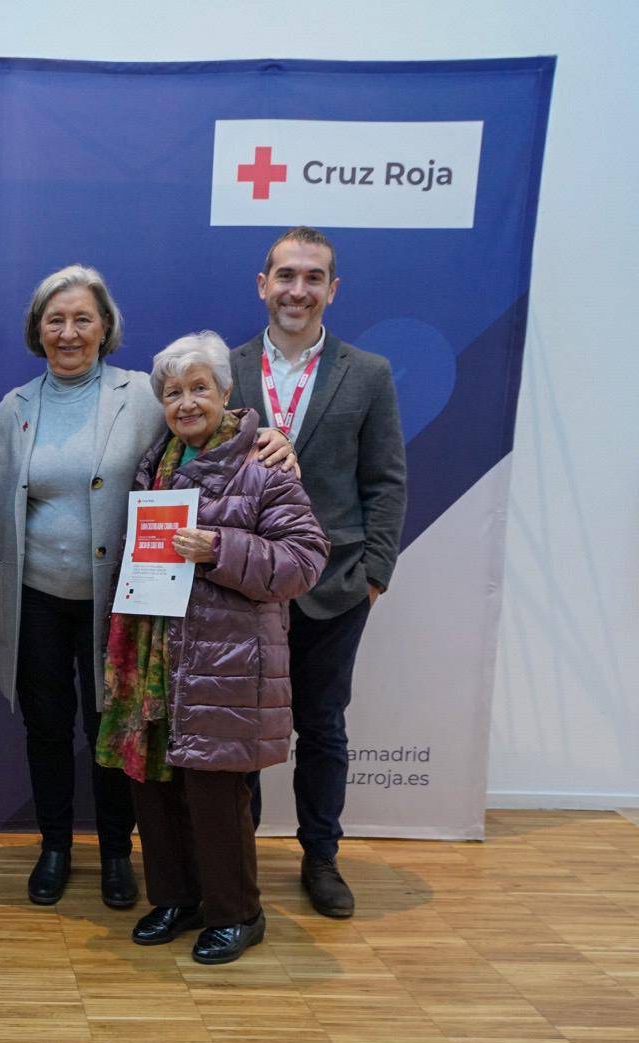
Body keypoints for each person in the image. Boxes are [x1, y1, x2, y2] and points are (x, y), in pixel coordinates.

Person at [99, 331, 329, 964]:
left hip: (225, 663)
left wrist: (221, 549)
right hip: (155, 657)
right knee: (156, 784)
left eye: (200, 388)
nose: (187, 402)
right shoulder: (154, 464)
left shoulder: (263, 464)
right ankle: (174, 899)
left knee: (214, 793)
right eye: (173, 392)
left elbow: (306, 560)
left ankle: (237, 913)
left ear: (227, 391)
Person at [228, 226, 407, 919]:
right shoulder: (228, 368)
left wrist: (375, 574)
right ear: (262, 284)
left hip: (334, 586)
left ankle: (320, 858)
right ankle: (235, 855)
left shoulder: (368, 374)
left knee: (323, 726)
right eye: (285, 275)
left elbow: (386, 481)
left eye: (312, 277)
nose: (296, 290)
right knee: (238, 729)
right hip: (242, 585)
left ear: (332, 290)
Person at [0, 265, 158, 908]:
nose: (68, 332)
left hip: (118, 600)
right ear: (37, 331)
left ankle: (117, 851)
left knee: (111, 725)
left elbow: (209, 421)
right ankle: (55, 844)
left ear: (106, 327)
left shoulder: (142, 395)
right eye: (55, 320)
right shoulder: (11, 411)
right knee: (47, 726)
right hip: (34, 600)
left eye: (83, 318)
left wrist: (268, 436)